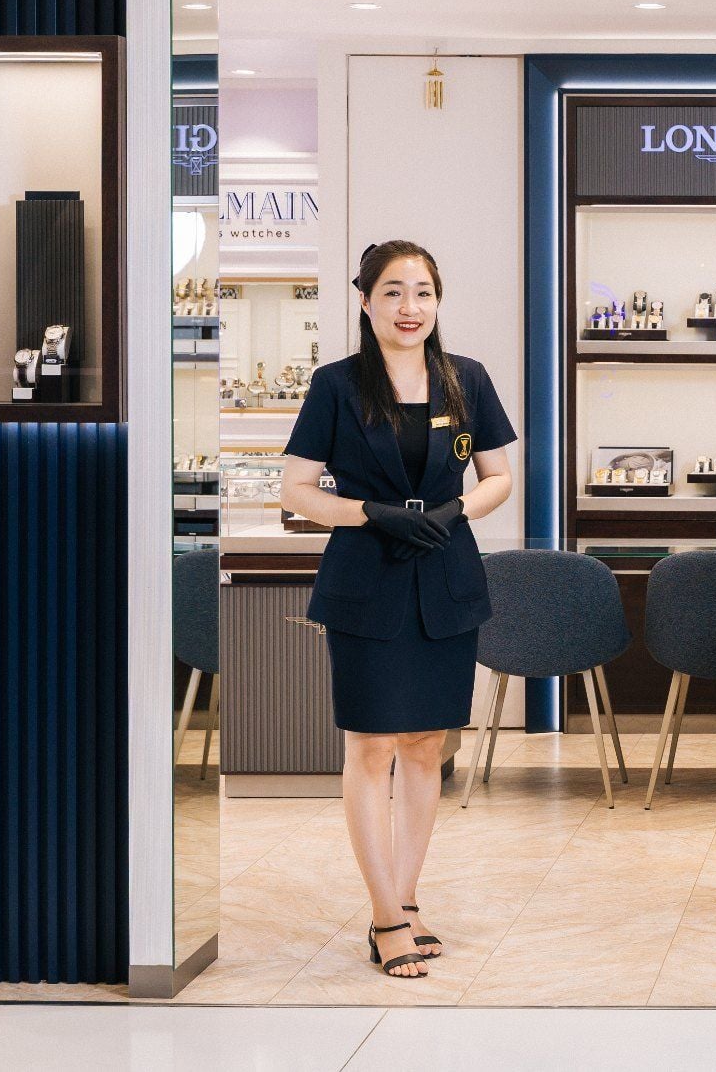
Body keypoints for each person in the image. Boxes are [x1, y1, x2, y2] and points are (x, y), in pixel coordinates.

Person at [279, 239, 516, 980]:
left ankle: (407, 900)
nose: (409, 307)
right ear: (365, 300)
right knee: (371, 746)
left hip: (446, 576)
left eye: (422, 293)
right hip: (366, 580)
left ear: (437, 302)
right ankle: (383, 917)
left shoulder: (465, 379)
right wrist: (370, 513)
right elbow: (295, 490)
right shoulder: (337, 384)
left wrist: (454, 510)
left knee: (424, 745)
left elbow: (499, 476)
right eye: (393, 291)